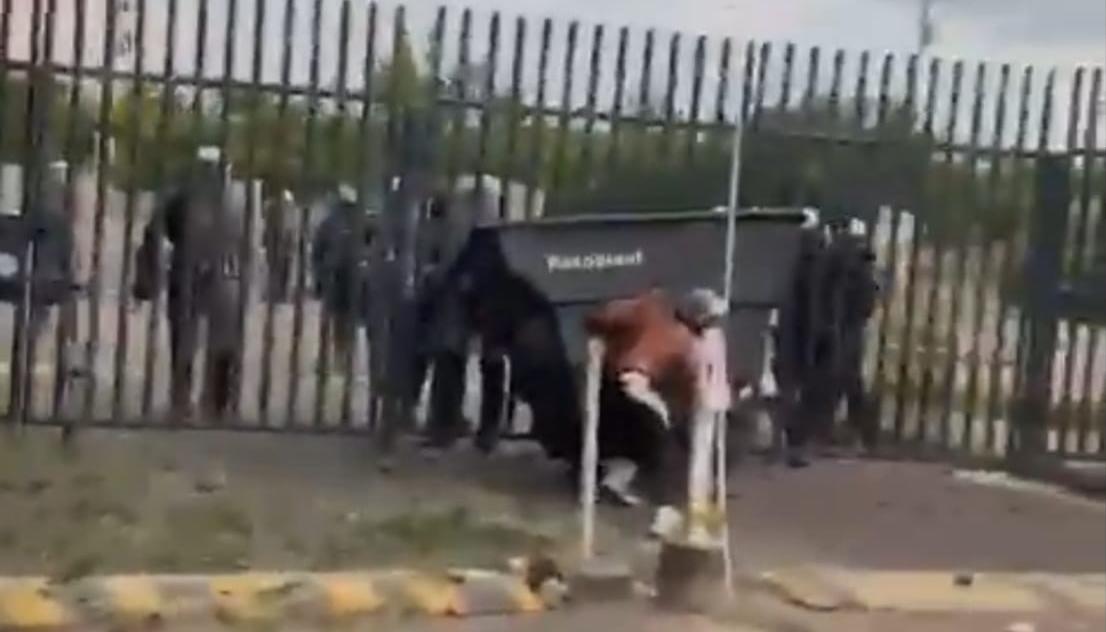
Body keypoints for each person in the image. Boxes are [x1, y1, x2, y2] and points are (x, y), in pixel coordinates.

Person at [133, 147, 245, 421]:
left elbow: (158, 230)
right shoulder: (234, 199)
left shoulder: (183, 195)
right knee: (219, 339)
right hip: (220, 272)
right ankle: (216, 403)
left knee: (187, 338)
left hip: (190, 269)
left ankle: (184, 401)